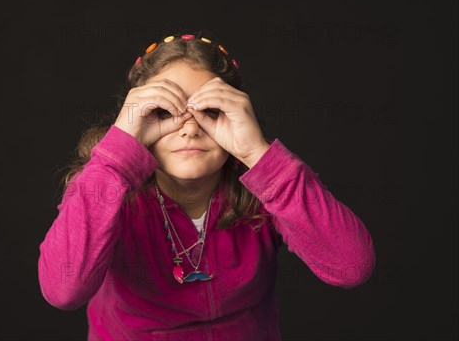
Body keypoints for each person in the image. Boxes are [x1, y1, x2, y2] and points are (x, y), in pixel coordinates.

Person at [38, 32, 376, 340]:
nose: (188, 129)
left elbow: (351, 266)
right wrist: (117, 155)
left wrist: (257, 154)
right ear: (135, 120)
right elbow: (63, 291)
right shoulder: (104, 189)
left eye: (209, 111)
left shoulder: (268, 188)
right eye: (163, 112)